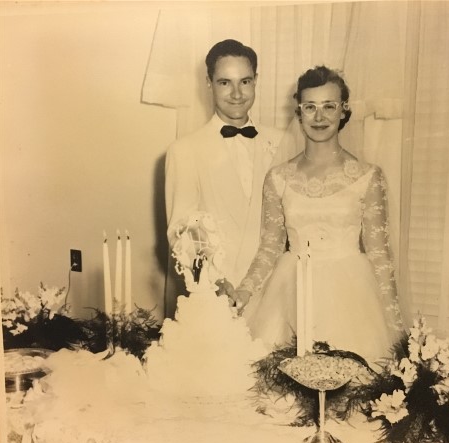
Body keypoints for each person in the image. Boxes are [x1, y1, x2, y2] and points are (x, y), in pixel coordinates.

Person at [232, 65, 405, 364]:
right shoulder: (278, 177)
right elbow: (270, 248)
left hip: (352, 299)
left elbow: (380, 258)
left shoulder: (368, 176)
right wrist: (243, 293)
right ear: (299, 112)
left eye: (329, 106)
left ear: (343, 111)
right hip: (290, 294)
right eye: (310, 107)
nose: (319, 116)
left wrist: (396, 330)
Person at [165, 39, 284, 306]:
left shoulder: (282, 143)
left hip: (276, 290)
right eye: (224, 82)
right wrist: (215, 282)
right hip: (218, 293)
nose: (237, 93)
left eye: (245, 81)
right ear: (208, 83)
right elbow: (182, 229)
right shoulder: (184, 150)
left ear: (256, 80)